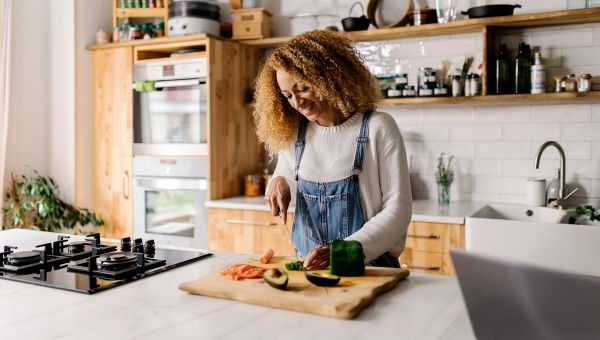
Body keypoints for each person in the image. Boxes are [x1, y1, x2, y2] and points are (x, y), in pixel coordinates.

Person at [253, 30, 412, 270]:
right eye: (287, 96)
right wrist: (278, 182)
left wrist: (344, 252)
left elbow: (398, 210)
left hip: (371, 268)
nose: (297, 103)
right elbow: (286, 171)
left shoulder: (378, 128)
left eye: (303, 88)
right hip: (312, 270)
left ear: (330, 77)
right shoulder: (296, 133)